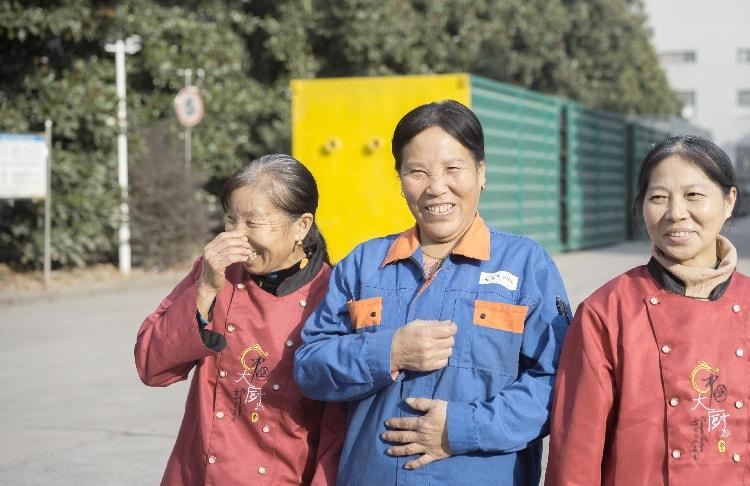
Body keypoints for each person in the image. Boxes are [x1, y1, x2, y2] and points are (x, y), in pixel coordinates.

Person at [293, 100, 572, 486]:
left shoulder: (526, 266)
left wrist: (463, 427)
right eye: (417, 172)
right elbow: (309, 367)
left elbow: (560, 381)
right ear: (400, 178)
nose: (436, 187)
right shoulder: (362, 265)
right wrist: (388, 352)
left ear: (481, 172)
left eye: (453, 168)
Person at [545, 136, 750, 485]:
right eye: (659, 197)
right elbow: (576, 454)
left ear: (729, 201)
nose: (676, 213)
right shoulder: (606, 312)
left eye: (693, 195)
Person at [134, 154, 344, 485]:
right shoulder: (215, 273)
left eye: (252, 222)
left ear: (301, 226)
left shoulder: (333, 295)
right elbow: (151, 366)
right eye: (231, 220)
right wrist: (204, 290)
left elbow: (337, 424)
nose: (236, 236)